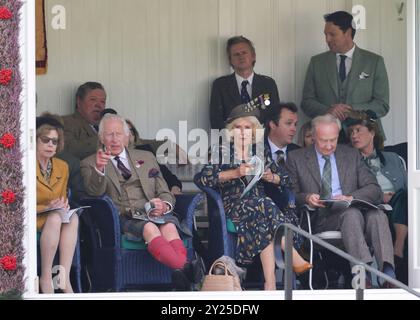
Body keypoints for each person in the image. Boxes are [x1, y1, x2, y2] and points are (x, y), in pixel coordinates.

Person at [196, 103, 312, 291]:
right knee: (264, 204)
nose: (243, 132)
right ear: (232, 131)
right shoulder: (221, 150)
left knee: (262, 216)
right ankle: (293, 256)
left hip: (259, 211)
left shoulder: (260, 151)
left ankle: (270, 283)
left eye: (247, 127)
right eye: (238, 128)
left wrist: (270, 177)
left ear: (254, 130)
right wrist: (235, 173)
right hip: (233, 208)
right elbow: (202, 178)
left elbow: (287, 179)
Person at [80, 114, 195, 290]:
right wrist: (99, 169)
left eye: (118, 134)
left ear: (127, 137)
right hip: (125, 216)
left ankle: (180, 269)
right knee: (150, 228)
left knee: (170, 227)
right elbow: (94, 192)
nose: (114, 139)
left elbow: (164, 191)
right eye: (109, 134)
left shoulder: (146, 156)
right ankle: (186, 268)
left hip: (155, 211)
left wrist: (164, 205)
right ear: (101, 137)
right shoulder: (89, 163)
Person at [286, 114, 396, 288]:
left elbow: (374, 189)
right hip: (322, 217)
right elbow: (290, 193)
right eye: (323, 141)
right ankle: (362, 274)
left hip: (357, 212)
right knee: (351, 214)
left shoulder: (351, 154)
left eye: (333, 140)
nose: (329, 145)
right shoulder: (296, 158)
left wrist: (351, 198)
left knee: (377, 215)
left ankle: (388, 274)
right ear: (313, 136)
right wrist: (307, 197)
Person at [301, 11, 389, 142]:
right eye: (325, 34)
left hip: (365, 140)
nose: (327, 39)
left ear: (347, 33)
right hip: (326, 140)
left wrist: (351, 110)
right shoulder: (316, 63)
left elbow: (382, 105)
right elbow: (307, 102)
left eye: (332, 34)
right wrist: (328, 110)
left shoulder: (374, 62)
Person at [346, 111, 408, 284]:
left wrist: (393, 197)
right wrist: (380, 197)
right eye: (351, 132)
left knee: (403, 196)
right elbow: (351, 192)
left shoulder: (393, 158)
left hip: (398, 205)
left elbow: (406, 186)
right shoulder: (348, 161)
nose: (354, 135)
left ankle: (398, 248)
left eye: (358, 130)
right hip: (370, 208)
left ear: (372, 132)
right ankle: (395, 255)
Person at [36, 117, 79, 293]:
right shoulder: (25, 164)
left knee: (72, 217)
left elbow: (62, 196)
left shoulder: (62, 166)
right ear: (35, 140)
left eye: (54, 141)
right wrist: (47, 208)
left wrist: (62, 204)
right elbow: (20, 202)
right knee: (55, 218)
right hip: (35, 216)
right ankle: (46, 278)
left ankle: (63, 277)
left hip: (53, 214)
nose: (50, 145)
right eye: (45, 140)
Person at [210, 36, 280, 130]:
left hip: (263, 141)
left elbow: (275, 117)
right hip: (231, 141)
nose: (241, 57)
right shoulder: (220, 85)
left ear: (253, 56)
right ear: (230, 60)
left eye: (244, 53)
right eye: (236, 54)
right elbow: (216, 121)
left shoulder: (268, 84)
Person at [126, 119, 183, 195]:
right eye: (125, 131)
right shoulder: (110, 157)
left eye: (131, 131)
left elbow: (165, 175)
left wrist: (175, 186)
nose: (129, 135)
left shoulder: (145, 151)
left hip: (151, 199)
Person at [40, 112, 87, 206]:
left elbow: (78, 196)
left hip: (62, 210)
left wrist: (64, 201)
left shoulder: (68, 164)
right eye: (45, 138)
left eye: (54, 140)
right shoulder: (28, 161)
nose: (50, 144)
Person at [263, 103, 300, 209]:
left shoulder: (299, 152)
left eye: (295, 124)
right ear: (273, 125)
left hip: (297, 210)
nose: (294, 129)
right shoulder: (256, 150)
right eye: (289, 123)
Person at [62, 82, 106, 160]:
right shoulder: (66, 122)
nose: (99, 105)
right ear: (79, 102)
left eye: (102, 101)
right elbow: (70, 151)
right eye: (93, 100)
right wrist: (105, 138)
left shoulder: (107, 125)